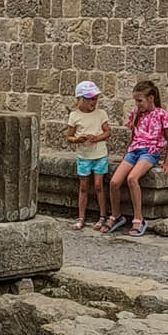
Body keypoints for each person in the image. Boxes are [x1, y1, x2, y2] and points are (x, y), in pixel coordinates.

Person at [105, 78, 168, 237]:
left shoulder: (161, 114)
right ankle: (116, 215)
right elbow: (134, 135)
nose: (138, 104)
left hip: (150, 152)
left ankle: (138, 218)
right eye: (136, 101)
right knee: (115, 181)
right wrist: (126, 155)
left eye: (140, 100)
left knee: (132, 178)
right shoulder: (136, 114)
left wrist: (167, 161)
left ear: (150, 98)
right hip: (134, 151)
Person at [65, 80, 111, 229]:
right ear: (81, 99)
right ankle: (81, 217)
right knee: (83, 187)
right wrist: (78, 139)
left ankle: (102, 216)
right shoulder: (74, 116)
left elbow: (107, 132)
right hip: (84, 156)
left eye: (95, 98)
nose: (94, 101)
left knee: (99, 185)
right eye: (90, 98)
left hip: (99, 155)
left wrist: (96, 138)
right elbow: (69, 137)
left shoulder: (101, 114)